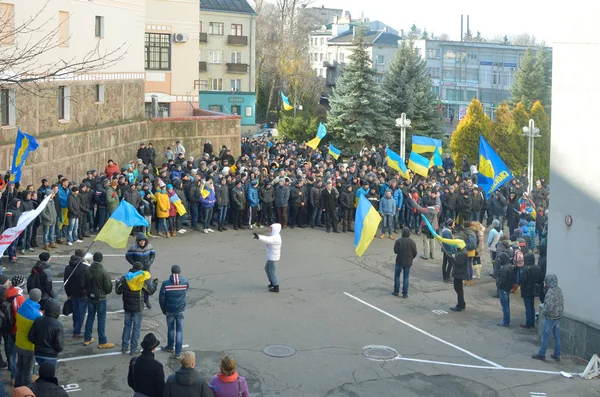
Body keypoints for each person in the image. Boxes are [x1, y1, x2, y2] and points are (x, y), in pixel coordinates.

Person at [116, 262, 158, 356]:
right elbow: (150, 291)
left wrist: (117, 283)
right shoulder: (142, 280)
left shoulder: (125, 278)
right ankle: (133, 348)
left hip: (127, 306)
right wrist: (155, 283)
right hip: (138, 307)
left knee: (127, 326)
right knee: (136, 328)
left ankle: (124, 346)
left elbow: (118, 291)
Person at [81, 252, 114, 349]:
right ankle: (102, 341)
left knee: (90, 317)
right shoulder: (103, 272)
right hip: (101, 298)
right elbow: (108, 288)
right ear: (101, 259)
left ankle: (87, 338)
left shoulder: (87, 270)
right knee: (101, 320)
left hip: (90, 297)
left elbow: (82, 283)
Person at [159, 265, 189, 359]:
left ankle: (170, 346)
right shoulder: (185, 281)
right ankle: (178, 352)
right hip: (180, 309)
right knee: (179, 330)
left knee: (171, 329)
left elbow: (161, 298)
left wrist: (164, 309)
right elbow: (186, 290)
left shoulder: (166, 284)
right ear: (180, 272)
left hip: (169, 310)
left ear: (171, 272)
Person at [14, 289, 42, 387]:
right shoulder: (36, 315)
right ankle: (27, 388)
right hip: (29, 346)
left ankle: (17, 386)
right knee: (27, 370)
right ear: (39, 298)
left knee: (19, 366)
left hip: (19, 342)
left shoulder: (22, 307)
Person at [532, 274, 563, 361]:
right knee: (556, 336)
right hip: (558, 316)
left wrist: (543, 312)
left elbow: (549, 307)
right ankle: (557, 355)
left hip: (550, 317)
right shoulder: (558, 290)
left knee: (545, 335)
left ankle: (542, 354)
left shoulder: (550, 292)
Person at [28, 300, 63, 368]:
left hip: (38, 354)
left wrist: (38, 344)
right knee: (49, 375)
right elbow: (59, 345)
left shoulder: (38, 320)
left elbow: (30, 336)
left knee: (42, 371)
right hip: (50, 355)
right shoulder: (58, 325)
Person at [127, 333, 165, 397]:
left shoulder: (134, 361)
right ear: (154, 348)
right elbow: (161, 389)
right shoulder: (157, 366)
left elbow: (130, 382)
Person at [125, 233, 157, 308]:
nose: (142, 243)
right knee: (136, 285)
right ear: (138, 241)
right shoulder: (133, 248)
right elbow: (127, 256)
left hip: (146, 269)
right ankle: (137, 301)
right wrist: (134, 263)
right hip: (137, 270)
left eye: (143, 241)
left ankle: (146, 300)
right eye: (140, 241)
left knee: (147, 285)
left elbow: (153, 254)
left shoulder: (150, 246)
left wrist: (150, 262)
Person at [63, 250, 90, 338]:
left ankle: (76, 327)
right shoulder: (85, 267)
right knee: (81, 312)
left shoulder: (67, 267)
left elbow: (65, 282)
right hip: (82, 294)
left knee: (75, 311)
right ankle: (77, 331)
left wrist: (68, 293)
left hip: (72, 293)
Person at [6, 276, 26, 386]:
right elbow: (21, 314)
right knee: (23, 354)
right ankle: (22, 376)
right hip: (16, 329)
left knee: (12, 354)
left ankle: (13, 376)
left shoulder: (8, 292)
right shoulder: (19, 298)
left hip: (8, 328)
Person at [254, 223, 282, 293]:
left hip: (273, 257)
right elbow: (268, 238)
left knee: (272, 271)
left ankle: (276, 286)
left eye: (271, 228)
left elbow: (267, 240)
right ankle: (272, 282)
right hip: (271, 256)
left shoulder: (275, 237)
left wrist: (259, 237)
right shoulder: (274, 235)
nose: (270, 230)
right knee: (267, 269)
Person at [519, 252, 543, 329]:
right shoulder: (538, 268)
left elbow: (522, 280)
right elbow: (540, 279)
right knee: (532, 306)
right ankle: (532, 322)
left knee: (528, 307)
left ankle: (528, 323)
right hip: (534, 290)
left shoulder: (526, 269)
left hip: (526, 290)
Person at [392, 227, 417, 298]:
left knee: (397, 276)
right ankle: (405, 293)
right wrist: (411, 258)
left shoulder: (399, 241)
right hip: (408, 262)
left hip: (399, 261)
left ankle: (396, 291)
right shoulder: (412, 242)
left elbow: (395, 251)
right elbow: (415, 252)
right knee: (406, 277)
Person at [448, 237, 468, 312]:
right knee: (459, 289)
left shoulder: (463, 253)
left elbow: (459, 263)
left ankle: (460, 305)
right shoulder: (461, 251)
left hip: (459, 273)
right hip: (459, 272)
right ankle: (462, 303)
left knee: (458, 289)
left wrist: (452, 259)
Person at [496, 252, 514, 327]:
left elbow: (502, 280)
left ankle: (506, 321)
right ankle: (506, 320)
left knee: (505, 306)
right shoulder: (510, 266)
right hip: (507, 289)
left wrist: (499, 286)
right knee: (506, 305)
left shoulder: (503, 268)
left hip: (503, 289)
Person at [440, 219, 457, 283]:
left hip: (445, 249)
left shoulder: (446, 230)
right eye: (453, 224)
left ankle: (445, 276)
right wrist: (453, 250)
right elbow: (448, 243)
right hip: (448, 250)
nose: (454, 225)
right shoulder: (447, 232)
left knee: (445, 263)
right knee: (450, 263)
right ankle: (447, 277)